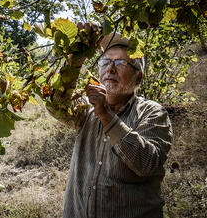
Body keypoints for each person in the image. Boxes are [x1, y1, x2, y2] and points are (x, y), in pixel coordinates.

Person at [47, 30, 173, 218]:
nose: (110, 69)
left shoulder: (153, 112)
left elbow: (147, 163)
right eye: (105, 62)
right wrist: (79, 52)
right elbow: (56, 104)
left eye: (121, 63)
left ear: (138, 78)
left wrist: (105, 115)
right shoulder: (85, 108)